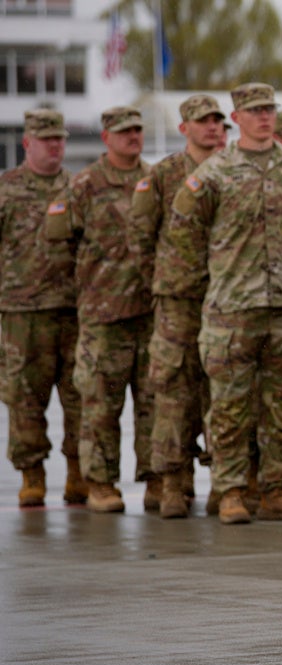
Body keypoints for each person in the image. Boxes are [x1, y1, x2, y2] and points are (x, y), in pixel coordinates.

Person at [163, 82, 282, 524]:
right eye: (255, 111)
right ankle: (230, 490)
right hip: (232, 307)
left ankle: (273, 489)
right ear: (237, 118)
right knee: (229, 407)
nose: (265, 117)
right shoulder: (214, 171)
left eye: (269, 109)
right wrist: (219, 273)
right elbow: (183, 230)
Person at [45, 106, 155, 514]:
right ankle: (101, 482)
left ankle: (155, 480)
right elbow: (58, 242)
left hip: (149, 312)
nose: (133, 137)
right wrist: (92, 281)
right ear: (106, 137)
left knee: (153, 404)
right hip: (103, 316)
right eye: (124, 131)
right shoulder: (84, 185)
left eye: (138, 130)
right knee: (100, 405)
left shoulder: (154, 179)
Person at [133, 94, 225, 518]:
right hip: (178, 299)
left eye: (218, 121)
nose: (213, 128)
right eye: (203, 121)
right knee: (172, 391)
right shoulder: (163, 174)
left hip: (225, 296)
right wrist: (166, 277)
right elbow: (140, 235)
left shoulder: (232, 168)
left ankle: (226, 483)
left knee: (225, 394)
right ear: (184, 127)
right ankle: (172, 482)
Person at [0, 109, 84, 507]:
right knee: (24, 399)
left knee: (80, 396)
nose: (55, 146)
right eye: (47, 139)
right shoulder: (6, 189)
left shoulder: (78, 188)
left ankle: (78, 474)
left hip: (73, 310)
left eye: (60, 139)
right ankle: (32, 476)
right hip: (22, 314)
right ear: (27, 143)